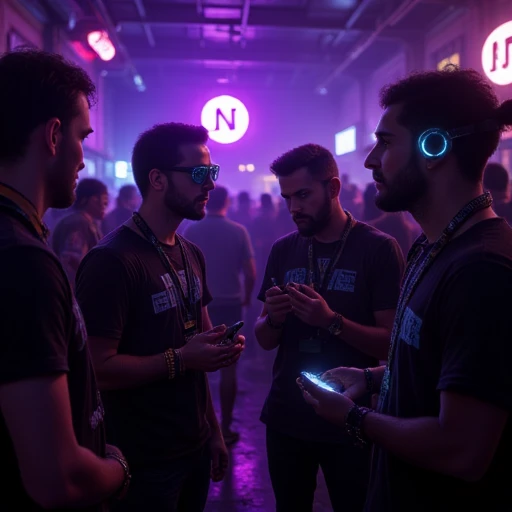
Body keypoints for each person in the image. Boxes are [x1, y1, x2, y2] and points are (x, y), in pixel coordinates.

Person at [298, 68, 512, 511]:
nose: (371, 159)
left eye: (386, 142)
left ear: (433, 147)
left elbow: (463, 450)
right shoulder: (432, 245)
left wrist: (354, 419)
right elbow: (438, 364)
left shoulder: (484, 271)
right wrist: (372, 377)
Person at [75, 122, 245, 512]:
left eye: (212, 173)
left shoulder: (190, 252)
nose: (211, 185)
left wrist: (214, 431)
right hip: (140, 458)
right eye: (200, 174)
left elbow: (199, 351)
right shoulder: (112, 261)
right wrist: (182, 359)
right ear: (158, 179)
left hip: (194, 444)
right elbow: (96, 369)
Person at [0, 48, 128, 510]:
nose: (83, 159)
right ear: (54, 135)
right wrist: (118, 466)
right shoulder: (23, 261)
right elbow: (59, 479)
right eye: (82, 137)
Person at [254, 143, 404, 512]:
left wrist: (330, 322)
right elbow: (264, 340)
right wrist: (272, 318)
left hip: (352, 417)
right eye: (287, 197)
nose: (294, 208)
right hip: (287, 414)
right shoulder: (284, 249)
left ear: (333, 188)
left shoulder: (379, 249)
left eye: (303, 195)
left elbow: (391, 346)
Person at [185, 185, 256, 445]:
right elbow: (250, 272)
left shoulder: (192, 230)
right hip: (230, 305)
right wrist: (246, 297)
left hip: (199, 304)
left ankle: (201, 426)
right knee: (229, 367)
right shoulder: (238, 231)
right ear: (227, 201)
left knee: (196, 366)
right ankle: (225, 426)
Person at [52, 178, 109, 288]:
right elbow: (72, 262)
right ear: (93, 200)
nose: (106, 207)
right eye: (105, 202)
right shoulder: (78, 223)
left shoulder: (87, 222)